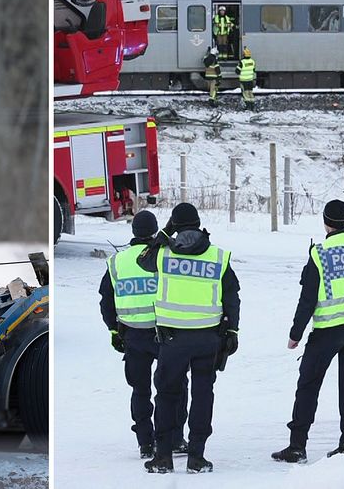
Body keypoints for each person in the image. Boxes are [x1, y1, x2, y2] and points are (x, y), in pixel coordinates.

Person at [272, 200, 344, 464]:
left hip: (326, 331)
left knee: (308, 386)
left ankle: (297, 446)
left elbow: (308, 299)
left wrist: (296, 333)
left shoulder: (320, 252)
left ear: (325, 222)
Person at [145, 203, 240, 474]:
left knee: (166, 396)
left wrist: (164, 232)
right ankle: (196, 457)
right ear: (199, 224)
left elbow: (143, 259)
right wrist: (233, 330)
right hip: (208, 340)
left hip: (171, 340)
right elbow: (232, 298)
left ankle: (163, 457)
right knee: (202, 395)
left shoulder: (163, 255)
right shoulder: (218, 257)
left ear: (175, 225)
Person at [99, 211, 189, 460]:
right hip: (166, 334)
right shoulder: (165, 257)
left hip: (133, 336)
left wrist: (114, 330)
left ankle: (145, 443)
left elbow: (106, 301)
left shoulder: (117, 262)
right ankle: (173, 439)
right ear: (154, 230)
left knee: (140, 390)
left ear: (134, 232)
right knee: (174, 387)